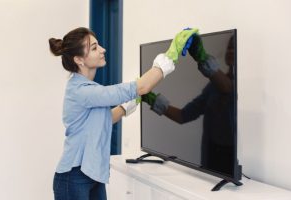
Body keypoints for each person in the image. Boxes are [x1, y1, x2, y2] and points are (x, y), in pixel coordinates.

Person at [49, 27, 198, 200]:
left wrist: (130, 104)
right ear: (79, 59)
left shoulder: (88, 89)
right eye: (95, 48)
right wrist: (172, 53)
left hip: (92, 174)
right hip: (73, 178)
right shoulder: (81, 91)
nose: (103, 50)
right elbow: (142, 86)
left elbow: (102, 121)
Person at [142, 34, 235, 175]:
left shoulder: (240, 86)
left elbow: (227, 88)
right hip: (210, 158)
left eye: (234, 48)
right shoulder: (211, 88)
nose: (230, 51)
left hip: (229, 161)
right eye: (229, 47)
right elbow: (183, 116)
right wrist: (150, 98)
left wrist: (201, 58)